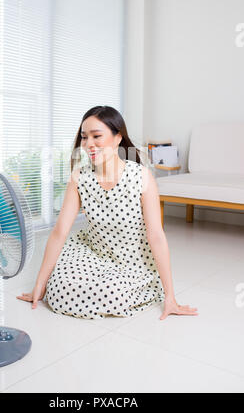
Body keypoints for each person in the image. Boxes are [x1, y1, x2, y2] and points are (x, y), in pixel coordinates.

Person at [17, 105, 198, 320]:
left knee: (113, 293)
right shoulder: (79, 178)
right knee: (58, 287)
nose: (88, 144)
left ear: (117, 138)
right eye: (84, 137)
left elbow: (156, 236)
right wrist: (40, 284)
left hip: (131, 263)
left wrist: (170, 297)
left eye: (97, 136)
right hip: (93, 252)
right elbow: (59, 232)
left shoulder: (141, 177)